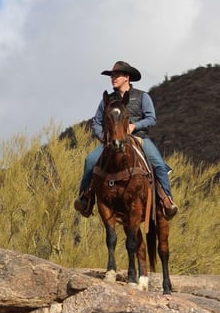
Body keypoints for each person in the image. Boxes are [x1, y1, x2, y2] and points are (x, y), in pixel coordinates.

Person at [74, 60, 178, 219]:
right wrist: (103, 137)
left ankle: (166, 200)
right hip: (112, 140)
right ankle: (85, 198)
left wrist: (134, 126)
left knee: (158, 164)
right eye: (112, 75)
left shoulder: (143, 97)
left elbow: (151, 118)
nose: (113, 78)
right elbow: (96, 122)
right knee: (90, 160)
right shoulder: (107, 100)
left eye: (117, 75)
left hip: (138, 138)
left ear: (126, 77)